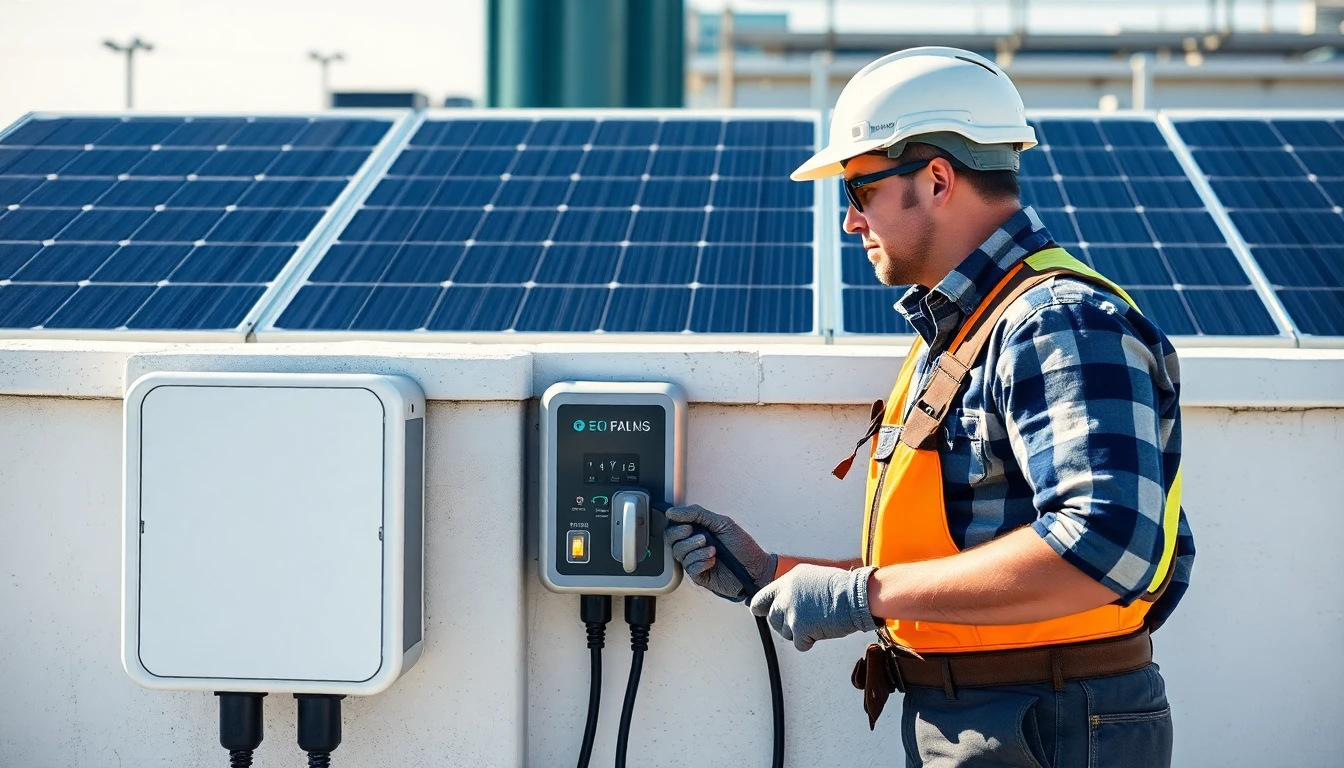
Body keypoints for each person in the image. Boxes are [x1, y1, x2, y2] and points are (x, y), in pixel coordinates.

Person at [665, 47, 1195, 767]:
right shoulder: (970, 329)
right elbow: (964, 552)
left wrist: (860, 596)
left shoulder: (1056, 322)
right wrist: (776, 572)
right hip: (1008, 715)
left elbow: (1105, 544)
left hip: (1047, 720)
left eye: (858, 190)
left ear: (937, 179)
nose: (851, 221)